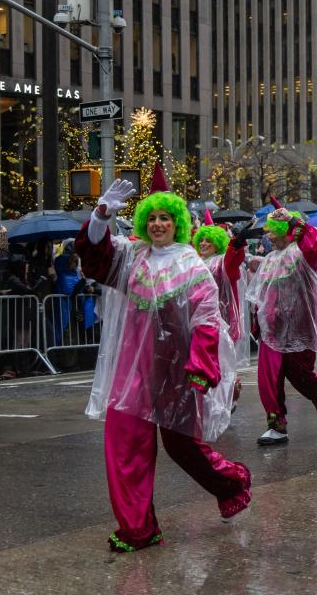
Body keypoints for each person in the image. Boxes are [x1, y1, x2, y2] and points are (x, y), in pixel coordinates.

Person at [75, 171, 250, 553]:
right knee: (123, 447)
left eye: (165, 218)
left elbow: (207, 319)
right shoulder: (131, 256)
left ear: (177, 223)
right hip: (133, 372)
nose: (158, 224)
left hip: (177, 372)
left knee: (183, 448)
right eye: (152, 218)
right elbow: (95, 259)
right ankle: (138, 529)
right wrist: (101, 215)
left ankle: (231, 484)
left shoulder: (192, 265)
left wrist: (202, 368)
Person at [246, 198, 317, 446]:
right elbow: (261, 294)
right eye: (270, 233)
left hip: (299, 326)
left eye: (275, 233)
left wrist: (294, 221)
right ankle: (277, 426)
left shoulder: (302, 253)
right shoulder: (270, 259)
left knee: (300, 374)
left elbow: (315, 243)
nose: (270, 238)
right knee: (268, 378)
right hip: (272, 329)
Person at [193, 210, 249, 406]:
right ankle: (211, 399)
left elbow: (233, 262)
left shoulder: (221, 262)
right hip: (198, 322)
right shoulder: (194, 263)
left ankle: (228, 394)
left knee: (221, 362)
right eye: (202, 240)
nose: (204, 244)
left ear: (217, 243)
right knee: (205, 363)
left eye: (209, 241)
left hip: (222, 322)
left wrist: (237, 244)